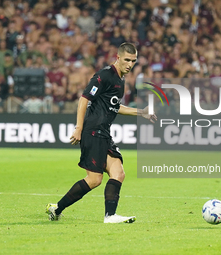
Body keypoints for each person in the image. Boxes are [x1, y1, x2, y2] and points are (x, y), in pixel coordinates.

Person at [46, 42, 157, 223]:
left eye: (133, 61)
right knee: (95, 179)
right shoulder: (104, 75)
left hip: (104, 133)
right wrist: (79, 128)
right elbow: (84, 100)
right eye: (127, 60)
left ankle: (109, 216)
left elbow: (114, 106)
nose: (130, 64)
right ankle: (57, 208)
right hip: (92, 131)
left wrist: (141, 112)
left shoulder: (120, 81)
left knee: (118, 173)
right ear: (118, 57)